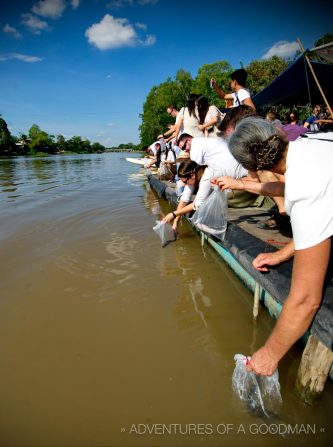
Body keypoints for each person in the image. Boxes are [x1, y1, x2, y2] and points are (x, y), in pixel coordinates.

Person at [219, 117, 333, 376]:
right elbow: (302, 194)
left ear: (252, 166)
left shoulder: (305, 189)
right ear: (278, 133)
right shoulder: (310, 141)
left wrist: (269, 356)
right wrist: (283, 253)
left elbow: (306, 300)